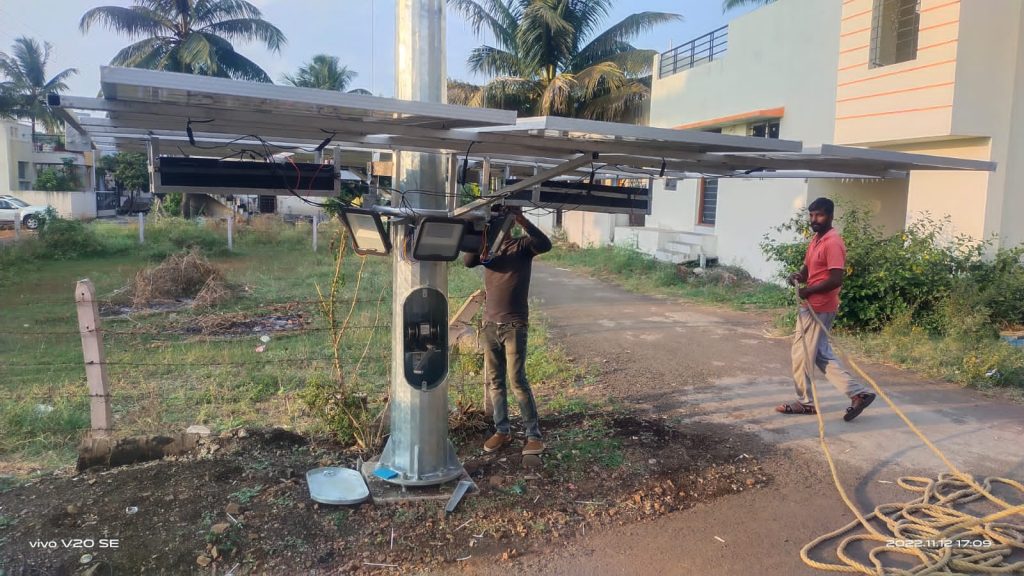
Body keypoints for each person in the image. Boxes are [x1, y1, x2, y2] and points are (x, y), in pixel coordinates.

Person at [776, 197, 876, 421]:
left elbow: (835, 279)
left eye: (819, 215)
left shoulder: (833, 242)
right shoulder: (817, 239)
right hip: (815, 304)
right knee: (821, 354)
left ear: (830, 216)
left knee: (801, 354)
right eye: (811, 215)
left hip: (819, 307)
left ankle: (805, 403)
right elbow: (808, 268)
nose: (814, 219)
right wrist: (798, 276)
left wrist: (809, 291)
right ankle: (858, 394)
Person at [463, 206, 552, 455]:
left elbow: (545, 244)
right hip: (489, 325)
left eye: (502, 220)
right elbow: (468, 261)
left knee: (517, 381)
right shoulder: (487, 250)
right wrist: (480, 230)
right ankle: (502, 430)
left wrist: (522, 219)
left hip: (514, 325)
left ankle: (533, 435)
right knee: (496, 382)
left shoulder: (522, 246)